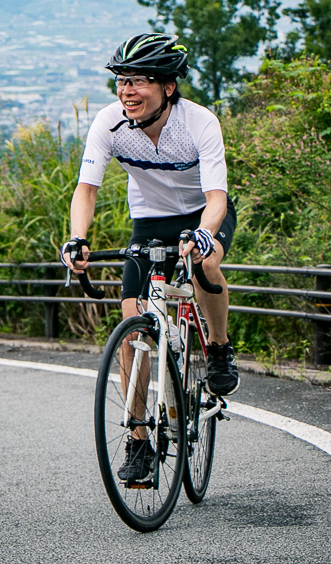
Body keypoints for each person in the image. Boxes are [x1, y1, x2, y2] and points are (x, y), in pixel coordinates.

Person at [61, 32, 239, 483]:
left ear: (168, 87)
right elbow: (86, 190)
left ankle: (218, 350)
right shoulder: (108, 123)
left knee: (205, 263)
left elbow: (217, 197)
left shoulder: (199, 123)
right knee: (130, 328)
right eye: (121, 81)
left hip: (203, 212)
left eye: (139, 81)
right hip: (149, 219)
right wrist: (77, 240)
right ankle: (139, 440)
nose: (127, 91)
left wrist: (203, 234)